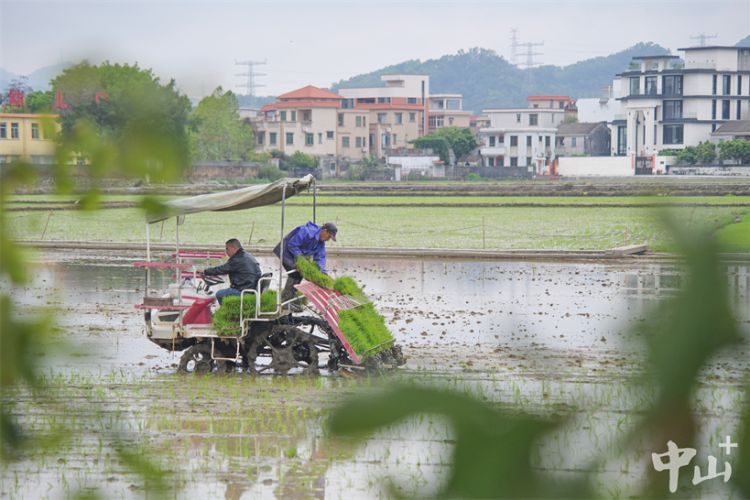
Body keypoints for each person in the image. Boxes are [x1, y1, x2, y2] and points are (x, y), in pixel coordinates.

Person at [273, 221, 337, 302]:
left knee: (301, 273)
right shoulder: (306, 231)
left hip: (298, 254)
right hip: (286, 250)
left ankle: (290, 298)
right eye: (329, 236)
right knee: (295, 273)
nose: (328, 239)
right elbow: (292, 245)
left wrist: (321, 272)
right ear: (324, 231)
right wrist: (301, 260)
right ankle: (285, 300)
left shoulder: (321, 243)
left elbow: (320, 258)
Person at [203, 238, 262, 304]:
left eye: (227, 249)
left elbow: (222, 269)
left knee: (220, 294)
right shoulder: (246, 255)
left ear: (233, 248)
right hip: (251, 288)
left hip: (244, 291)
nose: (226, 252)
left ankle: (227, 310)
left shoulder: (237, 259)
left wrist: (205, 272)